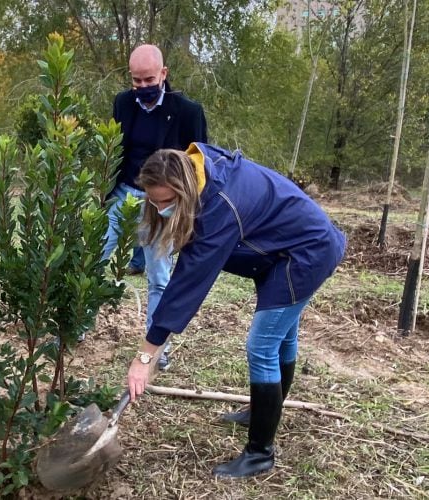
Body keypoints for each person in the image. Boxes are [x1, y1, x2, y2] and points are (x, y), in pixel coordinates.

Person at [123, 144, 346, 478]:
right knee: (282, 337)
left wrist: (145, 357)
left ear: (184, 190)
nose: (159, 208)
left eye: (166, 202)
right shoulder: (199, 167)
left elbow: (186, 285)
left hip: (306, 253)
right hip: (283, 248)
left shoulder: (218, 207)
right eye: (153, 201)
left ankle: (259, 453)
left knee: (263, 345)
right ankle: (263, 410)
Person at [105, 44, 208, 370]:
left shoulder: (188, 112)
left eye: (148, 79)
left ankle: (157, 346)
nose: (142, 87)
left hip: (161, 202)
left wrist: (184, 208)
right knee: (93, 258)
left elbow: (199, 163)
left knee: (159, 277)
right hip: (125, 194)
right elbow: (115, 152)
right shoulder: (123, 104)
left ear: (163, 74)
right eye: (136, 81)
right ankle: (76, 328)